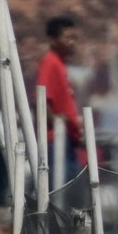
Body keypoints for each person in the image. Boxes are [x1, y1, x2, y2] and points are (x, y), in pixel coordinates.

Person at [36, 15, 84, 176]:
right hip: (57, 139)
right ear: (53, 40)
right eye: (67, 38)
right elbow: (41, 98)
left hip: (68, 138)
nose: (72, 42)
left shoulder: (60, 64)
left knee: (72, 185)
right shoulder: (50, 62)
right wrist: (56, 122)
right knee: (61, 187)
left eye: (75, 38)